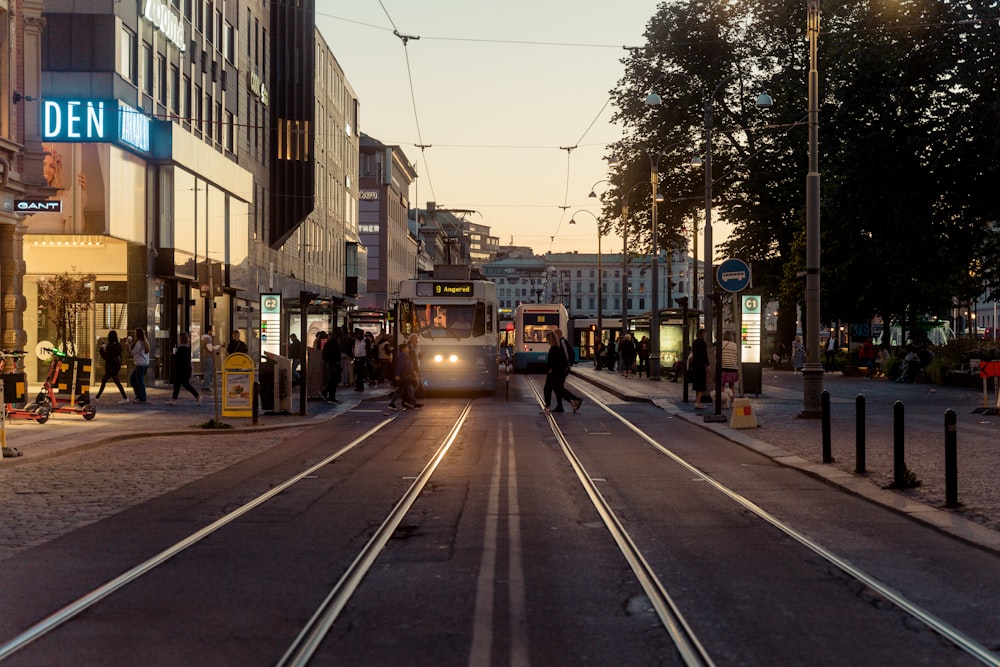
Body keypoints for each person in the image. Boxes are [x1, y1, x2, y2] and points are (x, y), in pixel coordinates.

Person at [541, 330, 582, 414]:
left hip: (555, 372)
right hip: (558, 371)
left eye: (547, 339)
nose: (546, 341)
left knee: (551, 388)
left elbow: (567, 356)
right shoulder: (558, 346)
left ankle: (574, 400)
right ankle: (567, 403)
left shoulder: (558, 346)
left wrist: (568, 366)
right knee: (557, 388)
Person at [95, 330, 128, 403]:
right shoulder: (118, 345)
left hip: (110, 367)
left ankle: (97, 397)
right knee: (115, 382)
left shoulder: (110, 347)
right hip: (115, 366)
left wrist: (102, 350)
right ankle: (125, 397)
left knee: (105, 381)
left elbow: (106, 356)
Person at [168, 332, 201, 405]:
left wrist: (172, 355)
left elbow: (178, 359)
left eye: (179, 338)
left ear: (181, 339)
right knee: (178, 384)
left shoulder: (181, 348)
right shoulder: (187, 348)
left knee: (184, 384)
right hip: (186, 368)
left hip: (181, 369)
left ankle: (197, 396)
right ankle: (174, 399)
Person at [387, 341, 421, 410]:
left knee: (408, 389)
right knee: (401, 390)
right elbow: (399, 366)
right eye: (407, 348)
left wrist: (413, 371)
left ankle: (413, 403)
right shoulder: (402, 357)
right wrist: (397, 375)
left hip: (407, 376)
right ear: (403, 349)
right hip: (404, 376)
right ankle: (392, 404)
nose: (408, 349)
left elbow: (409, 366)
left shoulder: (407, 356)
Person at [128, 327, 150, 403]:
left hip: (140, 364)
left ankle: (142, 397)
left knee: (138, 380)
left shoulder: (139, 342)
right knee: (135, 379)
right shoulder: (144, 342)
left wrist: (130, 343)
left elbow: (133, 352)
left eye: (135, 333)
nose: (134, 334)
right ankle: (139, 395)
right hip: (144, 363)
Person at [690, 328, 709, 409]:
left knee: (697, 384)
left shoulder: (695, 342)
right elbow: (704, 354)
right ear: (703, 334)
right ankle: (698, 402)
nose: (706, 335)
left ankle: (697, 401)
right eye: (705, 334)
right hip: (701, 365)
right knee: (701, 385)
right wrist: (708, 364)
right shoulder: (702, 343)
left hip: (695, 366)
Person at [320, 331, 341, 403]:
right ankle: (329, 394)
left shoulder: (328, 343)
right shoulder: (334, 344)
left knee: (333, 380)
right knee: (334, 380)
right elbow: (335, 355)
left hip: (331, 363)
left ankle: (327, 393)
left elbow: (324, 355)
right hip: (333, 363)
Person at [200, 325, 221, 391]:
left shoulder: (207, 338)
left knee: (209, 372)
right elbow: (210, 348)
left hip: (208, 357)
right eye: (212, 330)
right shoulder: (207, 339)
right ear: (209, 331)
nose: (213, 332)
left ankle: (206, 385)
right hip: (208, 357)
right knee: (208, 372)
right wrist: (218, 346)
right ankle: (206, 386)